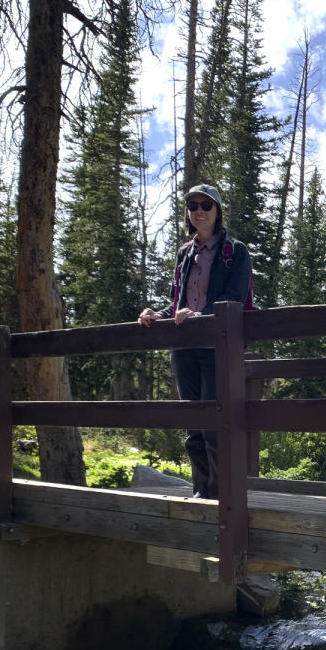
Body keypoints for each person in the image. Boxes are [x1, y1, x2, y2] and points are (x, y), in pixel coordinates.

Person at [138, 184, 252, 499]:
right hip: (184, 348)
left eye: (206, 205)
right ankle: (202, 491)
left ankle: (223, 495)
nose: (199, 211)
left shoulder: (235, 251)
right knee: (193, 427)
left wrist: (199, 314)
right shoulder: (184, 254)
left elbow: (234, 298)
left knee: (215, 426)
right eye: (193, 206)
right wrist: (155, 314)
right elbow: (178, 304)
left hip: (217, 346)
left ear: (217, 212)